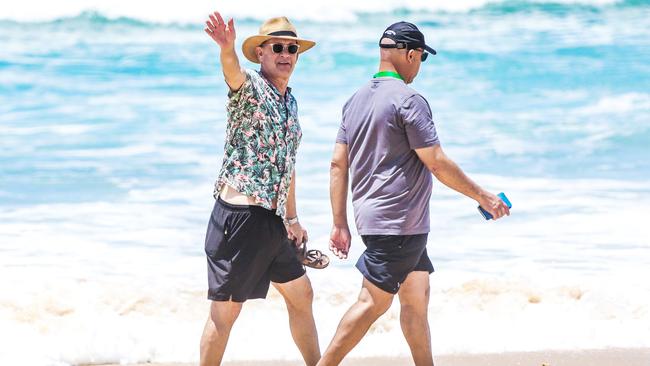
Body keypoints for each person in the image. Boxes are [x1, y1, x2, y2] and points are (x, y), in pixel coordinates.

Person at [321, 21, 510, 366]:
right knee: (372, 303)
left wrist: (339, 223)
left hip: (376, 220)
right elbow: (435, 162)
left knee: (416, 297)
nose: (420, 66)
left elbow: (337, 164)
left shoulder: (355, 100)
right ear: (409, 54)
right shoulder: (410, 101)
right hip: (400, 224)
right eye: (421, 57)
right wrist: (483, 196)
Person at [200, 12, 327, 366]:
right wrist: (227, 48)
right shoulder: (251, 89)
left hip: (271, 222)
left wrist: (292, 218)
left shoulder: (290, 102)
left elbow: (288, 164)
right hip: (240, 220)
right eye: (278, 48)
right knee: (225, 314)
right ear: (260, 53)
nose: (286, 54)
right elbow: (233, 74)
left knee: (301, 295)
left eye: (292, 49)